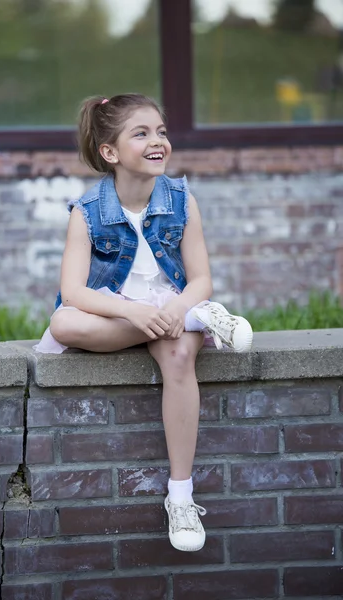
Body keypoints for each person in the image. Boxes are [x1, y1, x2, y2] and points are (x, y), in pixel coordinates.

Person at [34, 93, 253, 552]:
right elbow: (74, 292)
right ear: (110, 152)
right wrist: (133, 310)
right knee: (64, 326)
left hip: (175, 303)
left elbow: (201, 279)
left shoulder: (181, 199)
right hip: (121, 311)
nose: (158, 141)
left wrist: (179, 306)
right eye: (142, 133)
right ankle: (201, 322)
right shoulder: (87, 212)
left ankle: (181, 497)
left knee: (177, 356)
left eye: (161, 131)